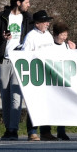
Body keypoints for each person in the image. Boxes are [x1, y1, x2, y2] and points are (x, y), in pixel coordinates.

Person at [0, 0, 34, 141]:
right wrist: (2, 37)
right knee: (5, 96)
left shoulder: (28, 19)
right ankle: (8, 129)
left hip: (19, 60)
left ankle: (14, 129)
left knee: (16, 95)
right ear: (18, 3)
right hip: (4, 60)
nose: (29, 5)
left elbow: (34, 37)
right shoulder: (2, 16)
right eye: (26, 2)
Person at [20, 10, 58, 141]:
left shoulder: (48, 35)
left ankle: (46, 131)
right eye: (45, 21)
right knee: (34, 104)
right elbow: (25, 56)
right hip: (35, 75)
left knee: (47, 104)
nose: (48, 23)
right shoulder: (30, 37)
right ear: (37, 23)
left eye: (48, 21)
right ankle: (32, 131)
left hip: (48, 74)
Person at [50, 21, 75, 141]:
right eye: (62, 35)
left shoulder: (66, 46)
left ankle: (61, 130)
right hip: (51, 80)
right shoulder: (49, 45)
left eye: (66, 35)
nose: (64, 37)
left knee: (63, 105)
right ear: (56, 34)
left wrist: (73, 50)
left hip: (63, 79)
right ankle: (47, 130)